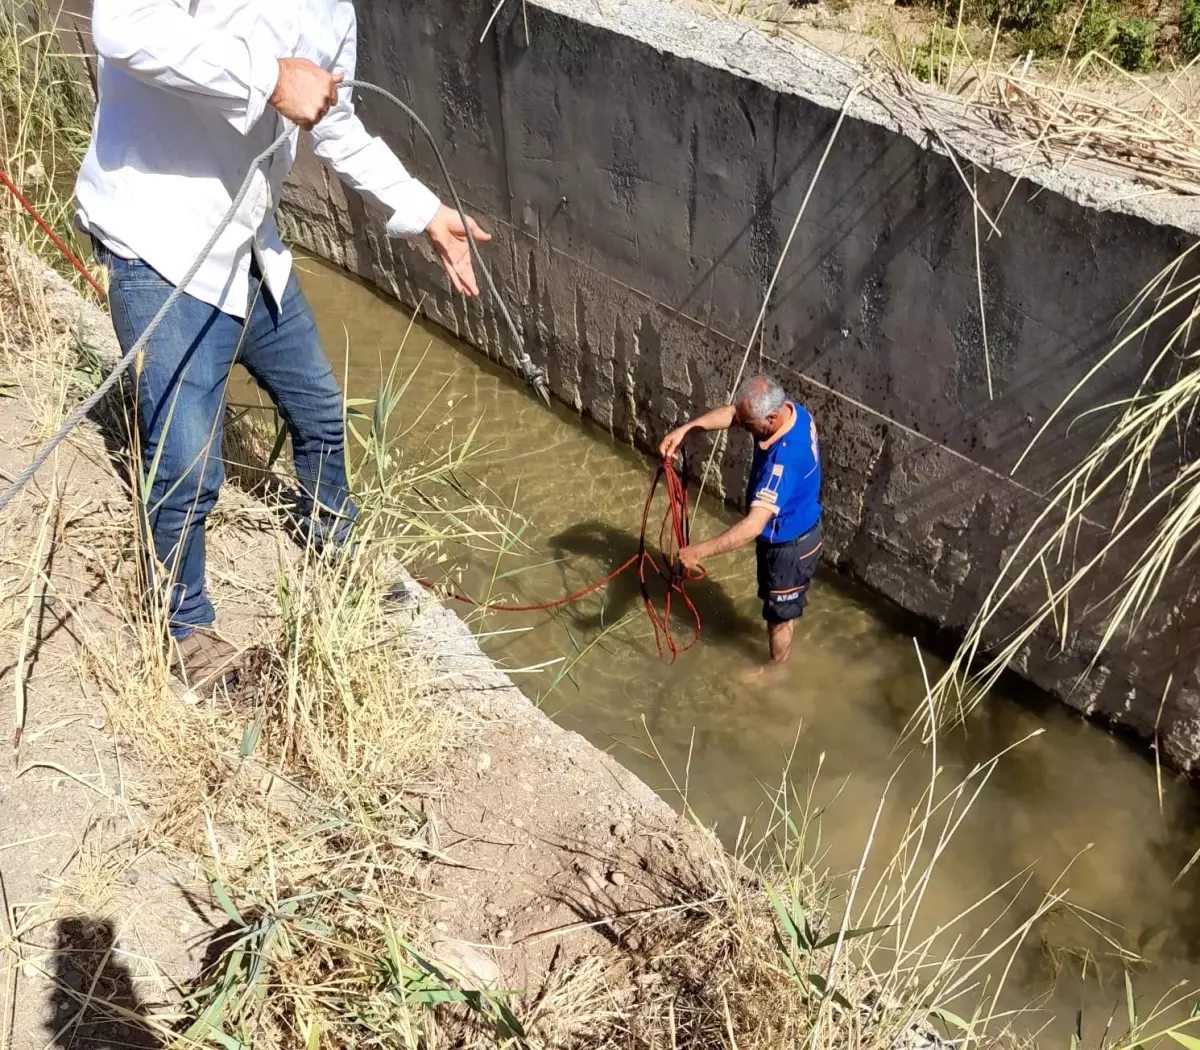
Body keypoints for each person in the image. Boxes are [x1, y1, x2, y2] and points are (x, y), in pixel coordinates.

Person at [76, 0, 493, 693]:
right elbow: (123, 25)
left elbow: (337, 123)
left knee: (322, 411)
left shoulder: (335, 10)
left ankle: (333, 545)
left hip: (246, 247)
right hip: (157, 247)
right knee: (185, 463)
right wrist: (267, 75)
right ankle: (184, 630)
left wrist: (425, 212)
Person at [658, 375, 822, 669]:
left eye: (749, 426)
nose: (744, 429)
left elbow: (753, 526)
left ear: (770, 417)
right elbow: (735, 415)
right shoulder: (791, 410)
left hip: (790, 544)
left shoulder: (782, 462)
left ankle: (775, 671)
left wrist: (699, 551)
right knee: (775, 607)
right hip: (785, 533)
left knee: (779, 618)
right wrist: (687, 429)